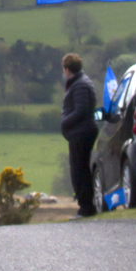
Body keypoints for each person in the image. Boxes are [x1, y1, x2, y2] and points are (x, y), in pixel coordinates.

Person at [61, 53, 98, 218]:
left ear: (67, 69)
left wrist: (65, 122)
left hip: (81, 132)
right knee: (81, 169)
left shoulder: (79, 85)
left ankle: (86, 207)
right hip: (82, 131)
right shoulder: (82, 82)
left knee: (79, 170)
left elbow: (81, 110)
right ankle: (86, 206)